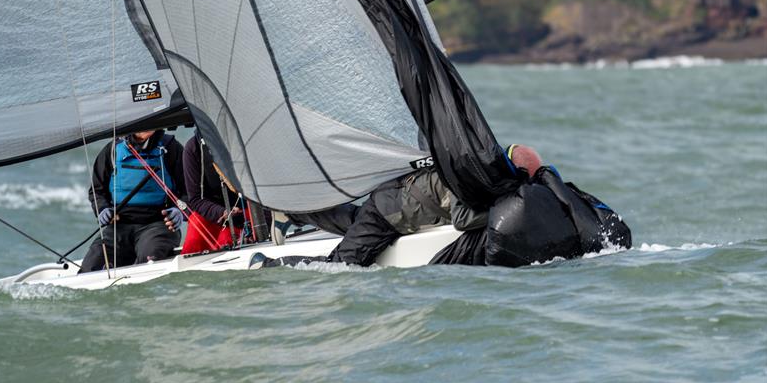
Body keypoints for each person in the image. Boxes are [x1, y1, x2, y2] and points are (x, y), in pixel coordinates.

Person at [253, 145, 541, 268]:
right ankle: (266, 265)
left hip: (392, 202)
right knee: (343, 264)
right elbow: (462, 219)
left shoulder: (482, 164)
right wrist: (506, 212)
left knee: (356, 221)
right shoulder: (471, 175)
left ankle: (290, 213)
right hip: (391, 212)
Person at [78, 130, 186, 273]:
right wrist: (102, 209)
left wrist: (179, 211)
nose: (145, 128)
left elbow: (190, 191)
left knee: (149, 264)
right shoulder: (113, 150)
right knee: (91, 267)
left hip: (158, 224)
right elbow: (97, 190)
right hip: (119, 225)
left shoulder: (170, 148)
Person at [181, 131, 246, 253]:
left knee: (226, 242)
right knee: (194, 238)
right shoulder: (193, 147)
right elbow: (196, 199)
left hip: (246, 211)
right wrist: (223, 212)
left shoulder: (243, 139)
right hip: (213, 213)